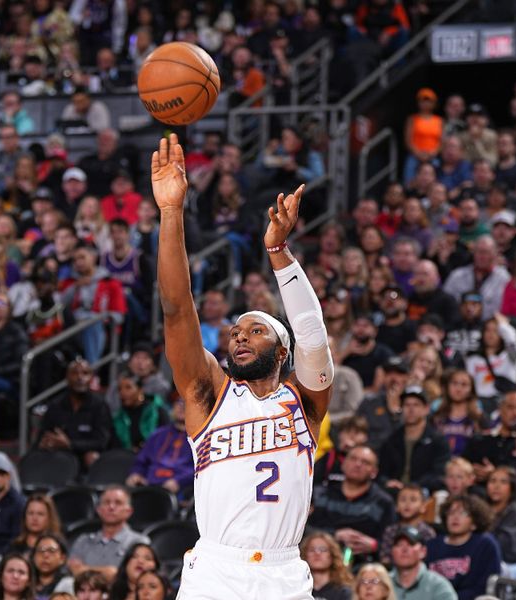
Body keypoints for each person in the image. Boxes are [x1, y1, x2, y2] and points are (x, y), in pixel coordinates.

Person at [152, 133, 332, 598]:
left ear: (283, 352)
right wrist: (171, 213)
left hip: (284, 572)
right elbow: (175, 308)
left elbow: (312, 331)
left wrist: (279, 254)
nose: (240, 335)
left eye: (256, 330)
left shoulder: (305, 401)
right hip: (215, 567)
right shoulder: (207, 393)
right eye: (236, 331)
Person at [310, 445, 396, 565]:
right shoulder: (320, 494)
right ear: (343, 464)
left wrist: (375, 545)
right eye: (353, 459)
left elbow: (392, 543)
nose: (358, 464)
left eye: (365, 462)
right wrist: (334, 535)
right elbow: (303, 531)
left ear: (374, 472)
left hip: (363, 566)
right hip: (317, 559)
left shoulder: (384, 502)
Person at [425, 494, 502, 600]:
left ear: (474, 523)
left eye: (463, 513)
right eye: (451, 512)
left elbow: (484, 586)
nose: (455, 517)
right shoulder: (432, 545)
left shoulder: (485, 544)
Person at [378, 386, 450, 493]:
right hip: (394, 492)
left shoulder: (438, 441)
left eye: (416, 405)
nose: (411, 409)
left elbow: (439, 474)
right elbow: (381, 472)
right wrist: (388, 482)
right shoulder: (391, 440)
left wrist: (413, 486)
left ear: (426, 409)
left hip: (425, 491)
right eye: (407, 405)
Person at [68, 486, 150, 579]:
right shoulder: (83, 541)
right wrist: (109, 571)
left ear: (129, 511)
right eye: (107, 502)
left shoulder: (139, 542)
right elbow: (74, 571)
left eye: (118, 503)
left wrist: (84, 569)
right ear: (99, 510)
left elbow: (127, 577)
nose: (111, 507)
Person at [125, 397, 195, 498]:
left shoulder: (199, 439)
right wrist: (136, 473)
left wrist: (180, 481)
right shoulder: (158, 434)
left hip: (180, 489)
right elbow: (141, 461)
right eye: (178, 403)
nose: (182, 407)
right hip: (149, 485)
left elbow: (199, 469)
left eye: (187, 404)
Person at [389, 526, 456, 600]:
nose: (404, 549)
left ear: (423, 552)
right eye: (399, 545)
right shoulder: (384, 583)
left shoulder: (438, 586)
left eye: (411, 544)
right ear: (392, 551)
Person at [378, 484, 436, 566]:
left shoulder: (428, 532)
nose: (407, 504)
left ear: (423, 506)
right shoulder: (390, 531)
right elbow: (385, 558)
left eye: (413, 500)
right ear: (396, 506)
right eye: (403, 499)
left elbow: (430, 561)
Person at [300, 532, 353, 600]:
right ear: (305, 555)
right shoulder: (298, 591)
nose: (317, 553)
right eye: (312, 550)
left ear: (332, 555)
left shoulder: (345, 592)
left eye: (323, 549)